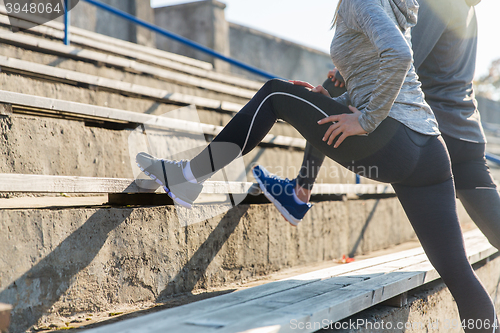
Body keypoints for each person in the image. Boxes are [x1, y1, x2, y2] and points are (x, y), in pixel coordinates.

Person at [136, 0, 498, 329]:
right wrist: (336, 100)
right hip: (429, 149)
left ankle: (188, 177)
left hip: (394, 137)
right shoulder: (394, 4)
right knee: (459, 274)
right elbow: (376, 71)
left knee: (274, 93)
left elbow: (401, 56)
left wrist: (366, 120)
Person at [271, 0, 500, 254]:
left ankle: (300, 191)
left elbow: (405, 57)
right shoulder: (467, 8)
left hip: (430, 134)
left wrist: (348, 74)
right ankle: (300, 191)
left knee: (332, 89)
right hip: (465, 136)